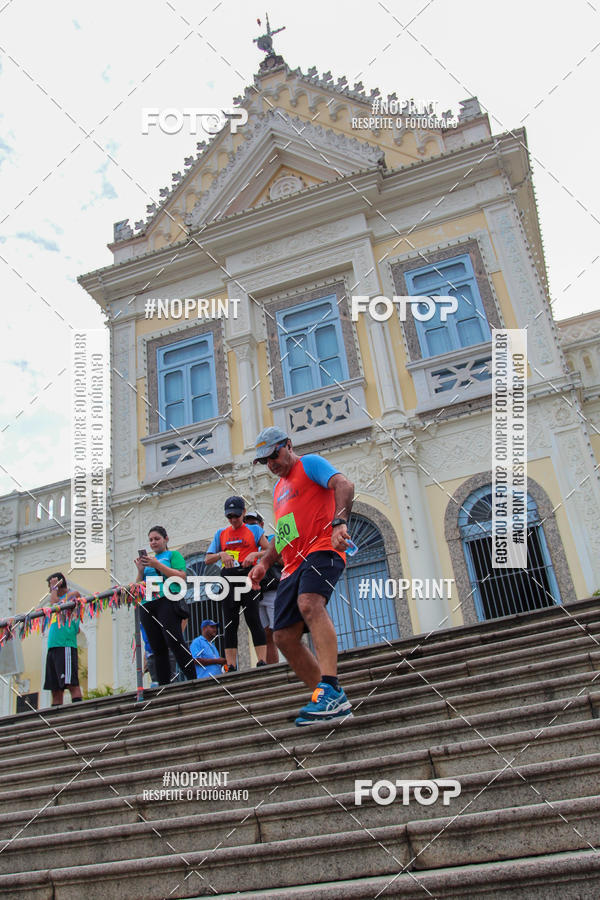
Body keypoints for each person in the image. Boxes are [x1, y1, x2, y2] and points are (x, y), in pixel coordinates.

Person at [248, 426, 355, 726]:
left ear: (288, 446)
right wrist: (264, 563)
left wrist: (339, 523)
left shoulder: (310, 464)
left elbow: (344, 485)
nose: (271, 464)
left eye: (274, 455)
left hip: (323, 549)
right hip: (292, 565)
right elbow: (284, 535)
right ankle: (329, 700)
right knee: (283, 636)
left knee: (309, 603)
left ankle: (331, 685)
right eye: (264, 461)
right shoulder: (279, 489)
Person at [204, 497, 270, 670]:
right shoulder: (221, 533)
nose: (233, 520)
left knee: (253, 618)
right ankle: (231, 665)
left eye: (237, 516)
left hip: (248, 575)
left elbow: (270, 549)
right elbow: (207, 559)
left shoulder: (254, 530)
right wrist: (221, 555)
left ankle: (262, 661)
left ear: (244, 513)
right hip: (229, 576)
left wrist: (255, 555)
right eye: (230, 516)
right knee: (230, 622)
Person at [135, 525, 196, 684]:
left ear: (166, 539)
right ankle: (164, 685)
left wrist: (158, 565)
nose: (153, 542)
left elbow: (181, 576)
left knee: (174, 641)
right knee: (157, 647)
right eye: (151, 540)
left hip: (166, 599)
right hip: (148, 602)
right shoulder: (148, 561)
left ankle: (192, 678)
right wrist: (141, 570)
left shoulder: (172, 555)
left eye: (157, 539)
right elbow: (138, 587)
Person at [244, 510, 281, 665]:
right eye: (247, 525)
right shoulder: (244, 546)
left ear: (261, 525)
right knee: (266, 634)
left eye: (254, 524)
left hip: (273, 589)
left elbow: (282, 560)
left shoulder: (272, 540)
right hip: (255, 594)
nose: (251, 528)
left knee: (280, 631)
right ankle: (273, 669)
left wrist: (258, 555)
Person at [43, 573, 83, 707]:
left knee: (71, 684)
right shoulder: (59, 597)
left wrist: (54, 588)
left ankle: (78, 715)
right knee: (55, 689)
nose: (50, 591)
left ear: (59, 585)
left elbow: (55, 604)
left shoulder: (74, 595)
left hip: (65, 645)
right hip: (53, 646)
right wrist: (54, 589)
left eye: (52, 588)